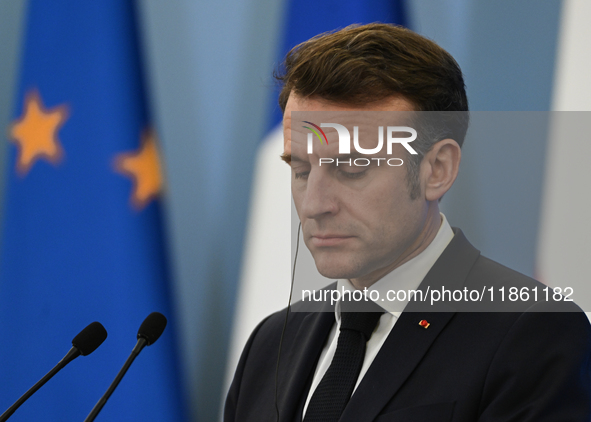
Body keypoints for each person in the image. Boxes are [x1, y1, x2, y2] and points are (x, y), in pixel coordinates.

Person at [225, 23, 591, 422]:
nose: (314, 204)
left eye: (351, 167)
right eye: (300, 169)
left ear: (437, 169)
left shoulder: (532, 331)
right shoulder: (270, 342)